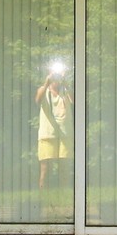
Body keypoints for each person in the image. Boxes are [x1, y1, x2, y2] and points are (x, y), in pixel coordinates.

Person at [36, 64, 73, 207]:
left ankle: (64, 200)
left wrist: (65, 82)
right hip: (48, 134)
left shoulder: (66, 91)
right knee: (45, 169)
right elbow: (38, 100)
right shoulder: (44, 90)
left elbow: (75, 101)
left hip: (65, 134)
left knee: (65, 169)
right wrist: (47, 82)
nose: (56, 78)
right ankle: (42, 200)